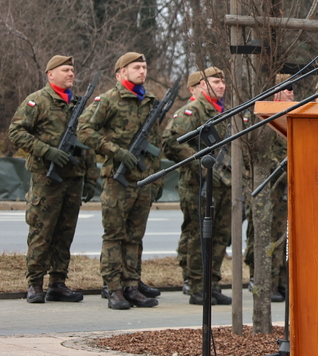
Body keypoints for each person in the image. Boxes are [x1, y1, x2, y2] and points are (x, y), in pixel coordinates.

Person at [8, 55, 99, 304]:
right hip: (46, 179)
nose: (71, 73)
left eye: (72, 69)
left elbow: (86, 144)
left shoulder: (77, 105)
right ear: (51, 74)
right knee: (42, 231)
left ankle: (58, 283)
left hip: (73, 179)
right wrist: (46, 150)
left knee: (65, 233)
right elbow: (15, 131)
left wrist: (91, 177)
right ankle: (35, 284)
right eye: (65, 70)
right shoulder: (38, 101)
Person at [77, 52, 165, 310]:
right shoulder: (107, 100)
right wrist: (115, 151)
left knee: (135, 237)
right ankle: (114, 288)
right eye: (136, 67)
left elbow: (155, 142)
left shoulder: (148, 100)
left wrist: (156, 177)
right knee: (115, 236)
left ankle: (132, 285)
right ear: (121, 73)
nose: (142, 71)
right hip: (118, 181)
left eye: (144, 67)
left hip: (142, 180)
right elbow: (84, 130)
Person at [162, 67, 233, 306]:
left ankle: (212, 285)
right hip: (198, 185)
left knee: (220, 237)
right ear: (202, 85)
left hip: (223, 184)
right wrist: (200, 162)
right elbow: (170, 142)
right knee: (197, 237)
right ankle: (196, 286)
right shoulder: (192, 111)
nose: (221, 86)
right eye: (215, 81)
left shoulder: (224, 111)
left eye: (223, 81)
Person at [244, 75, 291, 304]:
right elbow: (267, 159)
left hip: (286, 193)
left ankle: (281, 282)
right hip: (270, 190)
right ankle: (265, 281)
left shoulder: (291, 117)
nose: (292, 93)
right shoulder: (266, 121)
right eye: (287, 89)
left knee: (284, 238)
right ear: (275, 93)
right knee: (267, 237)